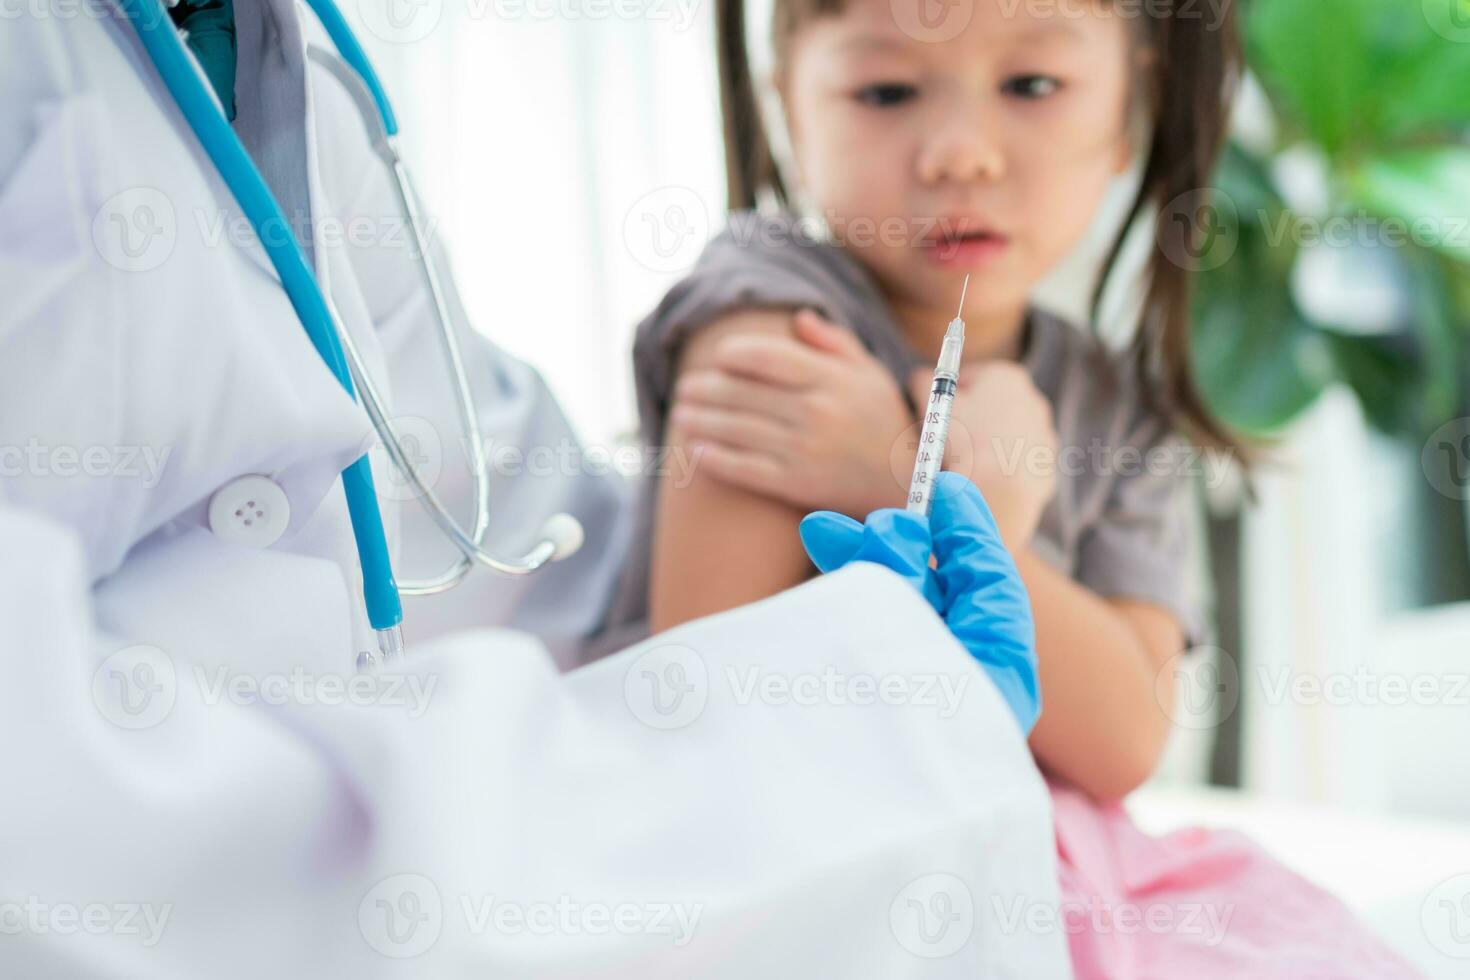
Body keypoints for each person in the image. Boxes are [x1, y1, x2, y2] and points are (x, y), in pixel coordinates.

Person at [0, 0, 1067, 975]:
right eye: (885, 88)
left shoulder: (284, 52)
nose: (963, 154)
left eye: (1034, 85)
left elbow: (507, 527)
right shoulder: (768, 307)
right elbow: (71, 852)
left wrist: (867, 642)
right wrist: (874, 696)